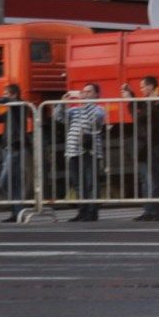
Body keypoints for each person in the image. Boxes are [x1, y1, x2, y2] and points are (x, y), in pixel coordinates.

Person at [0, 83, 34, 222]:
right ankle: (17, 213)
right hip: (7, 148)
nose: (4, 96)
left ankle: (17, 211)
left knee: (3, 182)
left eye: (6, 93)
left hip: (15, 148)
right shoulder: (11, 110)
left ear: (13, 94)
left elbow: (8, 102)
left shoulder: (20, 106)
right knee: (14, 183)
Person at [132, 76, 159, 220]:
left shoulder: (157, 102)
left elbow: (147, 117)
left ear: (151, 87)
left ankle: (154, 210)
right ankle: (148, 210)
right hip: (144, 144)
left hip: (152, 143)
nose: (141, 89)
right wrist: (131, 98)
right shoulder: (148, 102)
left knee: (152, 179)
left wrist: (148, 104)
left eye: (143, 86)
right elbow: (138, 116)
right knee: (146, 179)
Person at [62, 83, 106, 221]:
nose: (85, 94)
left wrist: (85, 103)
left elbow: (96, 118)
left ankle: (92, 212)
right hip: (73, 151)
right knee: (77, 183)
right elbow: (60, 117)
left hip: (89, 151)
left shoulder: (99, 109)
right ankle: (82, 210)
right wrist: (62, 103)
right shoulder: (75, 110)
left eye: (89, 92)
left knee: (90, 182)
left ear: (96, 94)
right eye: (84, 92)